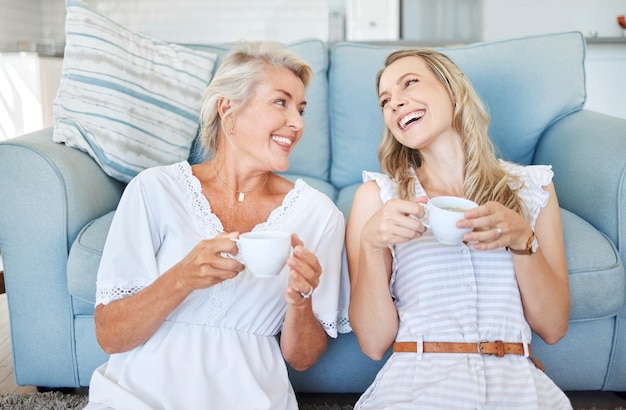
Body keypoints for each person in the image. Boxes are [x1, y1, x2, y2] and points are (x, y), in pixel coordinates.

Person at [85, 41, 348, 410]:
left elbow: (302, 359)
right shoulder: (155, 189)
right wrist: (182, 277)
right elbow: (110, 336)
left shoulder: (318, 215)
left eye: (301, 109)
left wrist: (300, 300)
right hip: (139, 395)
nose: (298, 123)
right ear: (228, 108)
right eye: (281, 102)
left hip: (249, 399)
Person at [346, 48, 572, 409]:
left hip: (516, 384)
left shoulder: (532, 188)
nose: (395, 103)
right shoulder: (378, 197)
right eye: (385, 101)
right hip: (417, 385)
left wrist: (522, 241)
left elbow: (553, 327)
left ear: (452, 90)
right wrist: (371, 247)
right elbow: (373, 344)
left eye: (410, 83)